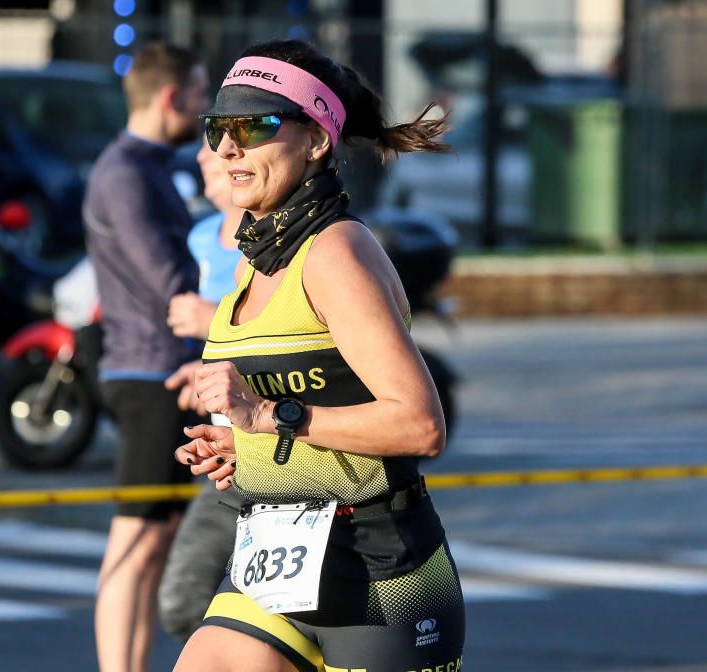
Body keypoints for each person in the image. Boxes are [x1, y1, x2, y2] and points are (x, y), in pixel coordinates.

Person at [172, 40, 465, 672]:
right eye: (219, 128)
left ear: (315, 140)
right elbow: (314, 401)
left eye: (254, 125)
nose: (228, 148)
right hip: (272, 563)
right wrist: (243, 449)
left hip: (381, 577)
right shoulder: (255, 264)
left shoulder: (335, 254)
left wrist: (268, 419)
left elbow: (418, 424)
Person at [82, 42, 210, 672]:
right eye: (199, 91)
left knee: (155, 537)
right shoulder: (126, 173)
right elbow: (166, 276)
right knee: (134, 538)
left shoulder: (150, 165)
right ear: (170, 97)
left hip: (162, 368)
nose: (207, 105)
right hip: (146, 371)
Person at [158, 139, 246, 642]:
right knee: (186, 604)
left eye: (219, 149)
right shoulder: (197, 239)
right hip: (215, 445)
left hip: (278, 456)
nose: (202, 159)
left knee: (189, 600)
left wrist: (211, 324)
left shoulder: (292, 246)